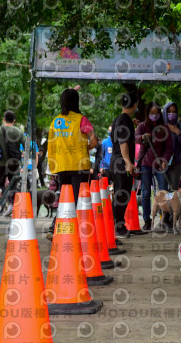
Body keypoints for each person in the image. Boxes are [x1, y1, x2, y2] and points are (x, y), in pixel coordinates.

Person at [47, 88, 98, 235]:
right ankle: (70, 231)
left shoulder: (55, 121)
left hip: (62, 165)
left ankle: (57, 226)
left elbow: (52, 144)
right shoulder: (81, 119)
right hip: (78, 166)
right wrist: (85, 147)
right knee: (76, 199)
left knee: (65, 198)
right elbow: (94, 141)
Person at [135, 101, 173, 231]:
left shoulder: (165, 128)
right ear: (147, 113)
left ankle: (165, 219)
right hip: (146, 164)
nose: (154, 115)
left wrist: (165, 160)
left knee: (163, 191)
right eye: (152, 113)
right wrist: (143, 137)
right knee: (146, 193)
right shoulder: (142, 126)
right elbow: (136, 137)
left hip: (160, 164)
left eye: (157, 113)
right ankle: (147, 220)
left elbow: (169, 147)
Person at [110, 93, 143, 237]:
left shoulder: (120, 119)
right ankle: (118, 227)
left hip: (116, 160)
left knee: (120, 194)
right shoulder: (124, 121)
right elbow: (123, 142)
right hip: (121, 162)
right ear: (135, 105)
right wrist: (128, 162)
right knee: (122, 195)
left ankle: (116, 225)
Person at [0, 110, 24, 210]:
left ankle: (0, 206)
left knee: (0, 184)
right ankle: (12, 205)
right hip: (14, 163)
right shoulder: (18, 131)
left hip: (0, 163)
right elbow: (26, 144)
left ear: (4, 119)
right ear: (14, 120)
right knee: (13, 185)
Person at [162, 102, 181, 191]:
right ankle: (163, 205)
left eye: (174, 111)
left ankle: (173, 205)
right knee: (162, 190)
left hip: (176, 163)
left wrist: (177, 132)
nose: (171, 114)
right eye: (169, 111)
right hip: (162, 163)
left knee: (173, 190)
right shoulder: (160, 126)